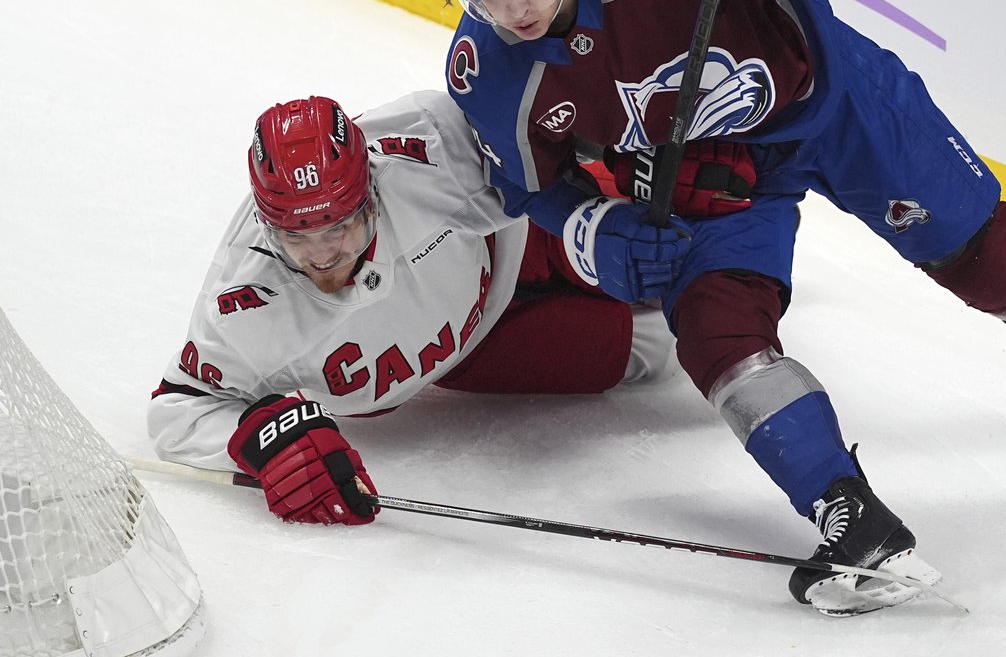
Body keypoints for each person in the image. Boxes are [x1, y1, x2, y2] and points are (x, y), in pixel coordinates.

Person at [438, 0, 1006, 616]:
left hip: (833, 98)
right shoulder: (488, 71)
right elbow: (527, 184)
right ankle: (850, 517)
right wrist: (590, 227)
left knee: (980, 255)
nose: (514, 8)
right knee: (716, 335)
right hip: (715, 174)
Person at [147, 89, 675, 526]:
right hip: (470, 353)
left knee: (661, 255)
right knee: (654, 351)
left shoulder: (428, 149)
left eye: (339, 225)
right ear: (266, 226)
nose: (324, 254)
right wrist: (268, 443)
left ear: (371, 192)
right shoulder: (247, 302)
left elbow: (550, 123)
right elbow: (178, 411)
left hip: (519, 235)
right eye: (296, 237)